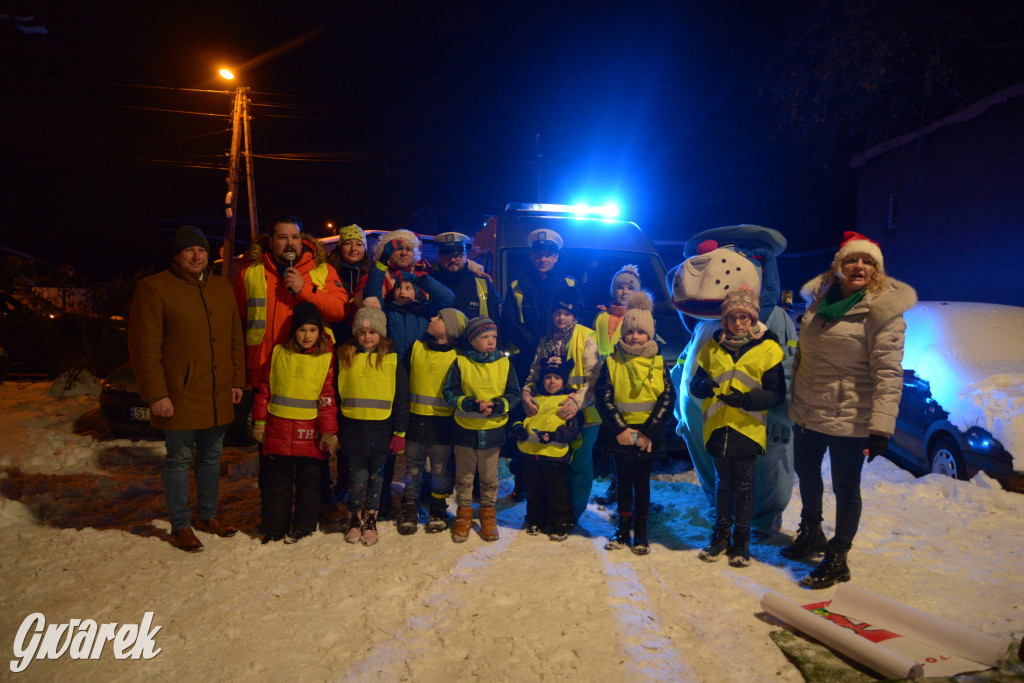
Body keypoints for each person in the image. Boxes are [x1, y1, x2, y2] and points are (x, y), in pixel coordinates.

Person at [784, 231, 916, 589]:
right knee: (807, 473)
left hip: (852, 415)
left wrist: (881, 427)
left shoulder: (882, 311)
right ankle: (811, 532)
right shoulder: (821, 302)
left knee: (845, 486)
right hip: (809, 410)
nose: (859, 266)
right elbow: (804, 357)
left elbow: (888, 373)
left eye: (868, 261)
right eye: (852, 260)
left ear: (877, 270)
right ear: (838, 267)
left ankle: (838, 556)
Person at [128, 226, 246, 552]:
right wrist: (156, 394)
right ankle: (181, 525)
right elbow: (144, 348)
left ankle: (208, 516)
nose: (196, 256)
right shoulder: (155, 288)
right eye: (189, 250)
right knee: (179, 459)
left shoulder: (222, 287)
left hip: (217, 391)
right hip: (179, 393)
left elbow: (235, 337)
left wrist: (237, 380)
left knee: (211, 457)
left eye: (201, 250)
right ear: (176, 256)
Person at [234, 215, 351, 527]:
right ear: (271, 241)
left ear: (303, 239)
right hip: (266, 371)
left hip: (312, 373)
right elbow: (237, 320)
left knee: (314, 446)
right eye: (282, 237)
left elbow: (340, 310)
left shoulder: (321, 270)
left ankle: (319, 504)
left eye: (295, 237)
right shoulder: (250, 271)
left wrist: (304, 288)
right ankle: (274, 510)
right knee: (270, 449)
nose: (289, 243)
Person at [690, 286, 786, 567]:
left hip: (747, 430)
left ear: (753, 318)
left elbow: (776, 393)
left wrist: (747, 400)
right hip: (718, 427)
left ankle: (741, 542)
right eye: (732, 317)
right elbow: (696, 383)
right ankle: (720, 537)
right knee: (723, 485)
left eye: (743, 317)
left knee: (744, 487)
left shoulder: (768, 349)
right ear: (724, 320)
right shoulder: (712, 347)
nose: (738, 323)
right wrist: (703, 385)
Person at [594, 291, 676, 555]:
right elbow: (603, 397)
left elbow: (667, 399)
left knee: (641, 483)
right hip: (620, 434)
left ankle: (640, 532)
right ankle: (622, 529)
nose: (635, 336)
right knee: (623, 483)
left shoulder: (658, 363)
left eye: (641, 332)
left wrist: (648, 433)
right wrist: (620, 428)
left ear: (650, 334)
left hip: (647, 437)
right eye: (630, 332)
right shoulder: (612, 362)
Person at [252, 302, 339, 544]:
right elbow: (265, 390)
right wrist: (259, 422)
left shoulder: (325, 358)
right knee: (277, 483)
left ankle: (303, 526)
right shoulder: (279, 353)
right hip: (278, 430)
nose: (307, 336)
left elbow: (327, 398)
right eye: (302, 330)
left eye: (313, 330)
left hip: (309, 433)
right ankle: (274, 527)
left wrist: (329, 432)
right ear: (294, 331)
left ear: (320, 332)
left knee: (308, 483)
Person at [520, 285, 600, 524]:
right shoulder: (545, 341)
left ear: (575, 315)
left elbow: (594, 379)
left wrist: (576, 402)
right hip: (552, 416)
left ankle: (572, 515)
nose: (561, 317)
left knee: (578, 466)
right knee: (551, 467)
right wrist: (526, 395)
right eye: (557, 312)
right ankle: (552, 513)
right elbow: (534, 376)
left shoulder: (586, 337)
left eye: (567, 313)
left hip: (585, 415)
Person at [442, 317, 520, 543]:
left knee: (489, 477)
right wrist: (469, 404)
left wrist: (498, 405)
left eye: (493, 336)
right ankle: (464, 515)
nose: (491, 341)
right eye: (484, 337)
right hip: (465, 429)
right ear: (472, 340)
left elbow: (514, 393)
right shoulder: (461, 362)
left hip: (492, 429)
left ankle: (488, 514)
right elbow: (450, 391)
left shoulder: (504, 363)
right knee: (465, 476)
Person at [336, 307, 410, 546]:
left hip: (382, 429)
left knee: (377, 476)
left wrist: (400, 432)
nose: (367, 337)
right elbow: (338, 396)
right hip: (353, 429)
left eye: (372, 332)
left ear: (381, 334)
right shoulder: (345, 358)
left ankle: (371, 519)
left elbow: (401, 398)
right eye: (362, 332)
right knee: (356, 476)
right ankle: (354, 518)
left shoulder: (392, 361)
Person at [397, 308, 466, 535]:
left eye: (439, 318)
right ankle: (410, 506)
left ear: (450, 329)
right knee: (412, 468)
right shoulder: (417, 348)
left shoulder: (458, 356)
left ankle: (437, 507)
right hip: (415, 420)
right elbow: (403, 383)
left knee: (439, 469)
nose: (432, 319)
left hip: (442, 424)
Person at [510, 356, 582, 541]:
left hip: (554, 457)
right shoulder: (534, 399)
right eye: (548, 377)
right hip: (530, 454)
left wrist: (555, 435)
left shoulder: (568, 401)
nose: (552, 381)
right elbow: (519, 418)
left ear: (564, 381)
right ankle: (535, 519)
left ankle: (561, 521)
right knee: (534, 490)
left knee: (558, 492)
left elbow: (573, 427)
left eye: (557, 378)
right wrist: (518, 429)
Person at [593, 264, 644, 504]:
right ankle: (616, 483)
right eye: (620, 287)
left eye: (630, 288)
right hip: (605, 381)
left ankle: (632, 484)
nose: (624, 292)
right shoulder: (602, 316)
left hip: (628, 382)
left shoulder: (640, 316)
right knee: (613, 435)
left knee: (630, 433)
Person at [432, 231, 500, 319]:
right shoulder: (432, 282)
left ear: (465, 256)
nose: (452, 260)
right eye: (447, 256)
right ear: (440, 257)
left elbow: (496, 318)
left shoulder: (482, 283)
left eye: (457, 255)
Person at [325, 223, 371, 344]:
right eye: (348, 243)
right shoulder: (328, 271)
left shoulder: (372, 273)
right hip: (335, 334)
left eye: (359, 244)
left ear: (365, 248)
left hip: (365, 335)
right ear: (340, 247)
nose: (353, 248)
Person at [363, 228, 432, 304]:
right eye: (399, 248)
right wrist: (383, 260)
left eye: (408, 249)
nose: (404, 253)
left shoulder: (422, 277)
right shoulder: (372, 277)